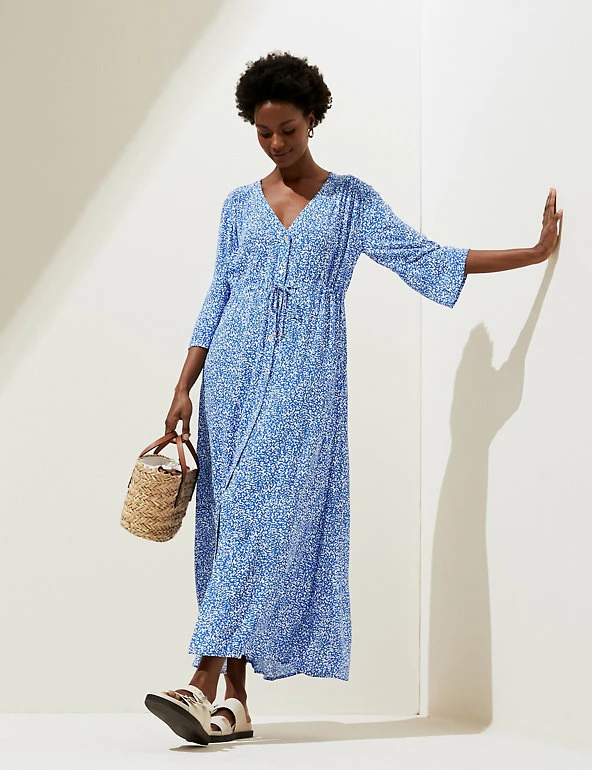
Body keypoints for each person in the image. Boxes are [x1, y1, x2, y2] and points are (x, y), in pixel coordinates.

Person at [144, 50, 563, 745]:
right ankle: (234, 703)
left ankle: (201, 680)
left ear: (313, 120)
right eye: (263, 132)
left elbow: (426, 258)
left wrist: (532, 252)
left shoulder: (351, 202)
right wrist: (183, 385)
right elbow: (217, 296)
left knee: (259, 521)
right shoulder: (237, 207)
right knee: (230, 526)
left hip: (307, 384)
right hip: (233, 383)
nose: (277, 144)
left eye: (289, 130)